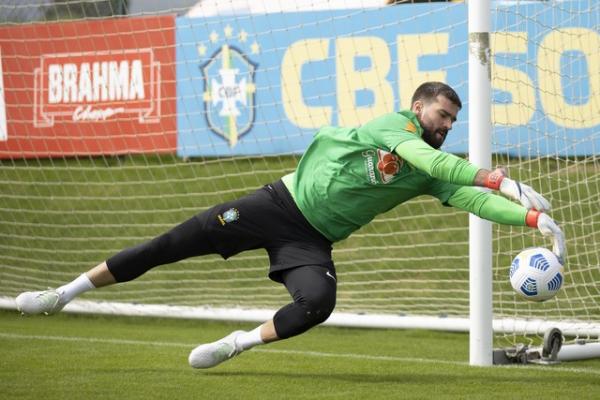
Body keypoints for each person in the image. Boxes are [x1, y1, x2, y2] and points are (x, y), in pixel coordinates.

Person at [16, 81, 566, 369]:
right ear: (418, 107)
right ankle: (64, 293)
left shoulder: (430, 169)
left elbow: (467, 196)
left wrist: (531, 216)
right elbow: (438, 164)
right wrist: (497, 178)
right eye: (441, 115)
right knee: (171, 244)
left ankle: (236, 343)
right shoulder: (391, 127)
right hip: (275, 204)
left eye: (453, 121)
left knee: (317, 304)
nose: (447, 126)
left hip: (309, 240)